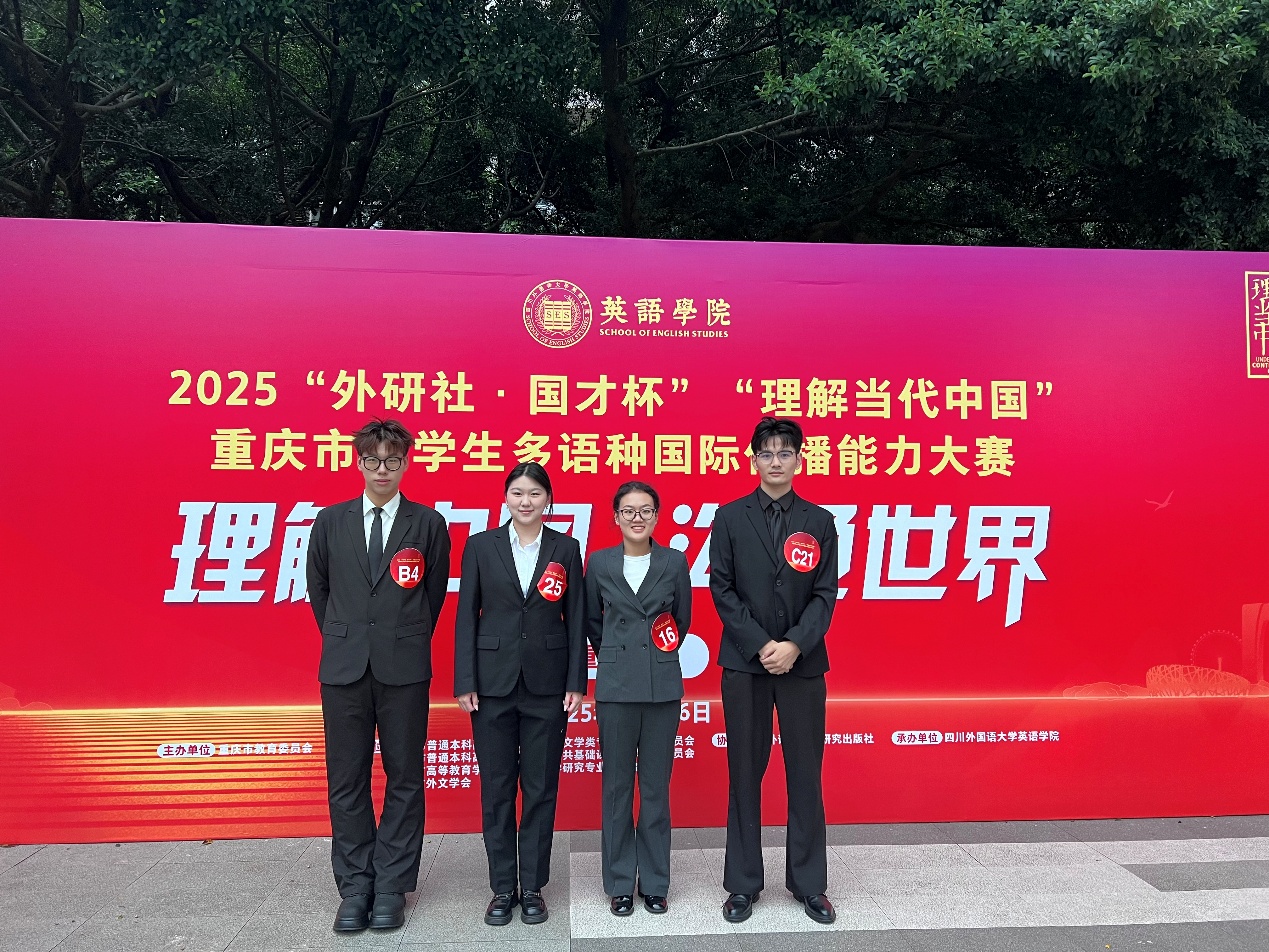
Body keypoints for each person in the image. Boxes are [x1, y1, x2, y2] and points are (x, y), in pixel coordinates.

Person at [306, 418, 451, 931]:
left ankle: (391, 884)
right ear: (359, 462)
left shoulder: (427, 523)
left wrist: (400, 635)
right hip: (344, 667)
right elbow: (320, 590)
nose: (382, 469)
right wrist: (349, 636)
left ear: (406, 463)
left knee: (405, 777)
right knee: (346, 779)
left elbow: (432, 596)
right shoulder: (330, 521)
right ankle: (355, 886)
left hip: (404, 667)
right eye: (373, 460)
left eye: (392, 460)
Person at [709, 417, 839, 925]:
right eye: (767, 453)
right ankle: (742, 884)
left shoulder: (820, 520)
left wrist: (794, 646)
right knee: (744, 772)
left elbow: (825, 594)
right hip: (746, 663)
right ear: (753, 460)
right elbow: (722, 588)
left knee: (805, 773)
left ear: (799, 460)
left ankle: (809, 884)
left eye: (785, 453)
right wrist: (763, 644)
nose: (776, 461)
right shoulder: (729, 517)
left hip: (803, 666)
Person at [453, 463, 586, 926]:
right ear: (505, 497)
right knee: (496, 788)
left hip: (548, 685)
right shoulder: (480, 546)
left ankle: (532, 886)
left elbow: (576, 616)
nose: (525, 501)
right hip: (491, 685)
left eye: (534, 493)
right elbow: (466, 614)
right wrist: (465, 680)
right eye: (517, 492)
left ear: (548, 499)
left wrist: (576, 681)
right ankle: (502, 888)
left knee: (540, 787)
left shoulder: (565, 548)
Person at [585, 481, 692, 916]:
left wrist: (652, 656)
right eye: (628, 511)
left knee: (654, 788)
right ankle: (619, 883)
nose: (636, 518)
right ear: (615, 517)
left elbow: (681, 619)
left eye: (645, 510)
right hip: (615, 687)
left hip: (661, 685)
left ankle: (655, 882)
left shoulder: (673, 561)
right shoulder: (600, 562)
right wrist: (615, 655)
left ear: (656, 516)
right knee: (616, 788)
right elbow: (592, 621)